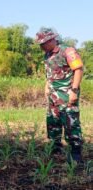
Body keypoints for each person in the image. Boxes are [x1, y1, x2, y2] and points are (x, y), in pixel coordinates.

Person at [35, 27, 84, 163]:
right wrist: (47, 87)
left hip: (67, 93)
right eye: (40, 44)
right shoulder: (47, 54)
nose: (41, 46)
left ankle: (76, 152)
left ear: (52, 40)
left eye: (43, 43)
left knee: (70, 121)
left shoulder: (68, 51)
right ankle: (55, 147)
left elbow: (78, 69)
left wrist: (74, 91)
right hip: (53, 95)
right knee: (53, 121)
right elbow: (49, 74)